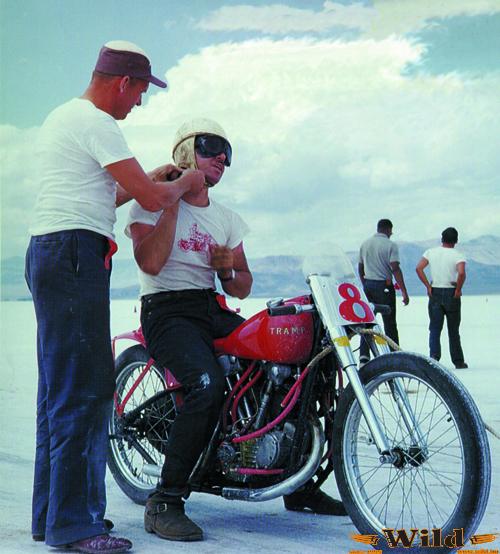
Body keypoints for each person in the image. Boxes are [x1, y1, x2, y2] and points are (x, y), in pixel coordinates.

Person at [127, 118, 346, 543]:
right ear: (185, 151)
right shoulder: (149, 204)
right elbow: (150, 263)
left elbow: (242, 286)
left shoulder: (227, 219)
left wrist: (227, 270)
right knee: (206, 384)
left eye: (227, 153)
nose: (222, 159)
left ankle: (297, 483)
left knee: (285, 367)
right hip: (166, 310)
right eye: (211, 148)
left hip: (210, 306)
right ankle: (165, 501)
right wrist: (173, 198)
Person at [25, 40, 205, 554]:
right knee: (86, 391)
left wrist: (150, 178)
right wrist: (186, 182)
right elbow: (151, 199)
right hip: (74, 254)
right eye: (140, 91)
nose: (140, 102)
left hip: (53, 251)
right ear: (123, 82)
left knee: (58, 392)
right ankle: (77, 525)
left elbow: (113, 192)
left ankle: (52, 517)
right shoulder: (99, 122)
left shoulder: (65, 117)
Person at [358, 219, 409, 364]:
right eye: (391, 231)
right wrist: (404, 291)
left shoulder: (365, 244)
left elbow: (360, 268)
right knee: (390, 323)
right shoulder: (390, 245)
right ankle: (394, 355)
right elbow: (395, 268)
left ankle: (364, 356)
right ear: (388, 229)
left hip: (368, 285)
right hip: (384, 287)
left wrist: (365, 284)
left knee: (367, 322)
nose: (391, 233)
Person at [416, 227, 468, 369]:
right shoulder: (458, 255)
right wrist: (458, 289)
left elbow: (419, 268)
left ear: (442, 238)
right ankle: (458, 361)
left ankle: (434, 358)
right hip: (451, 292)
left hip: (435, 291)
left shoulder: (431, 252)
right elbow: (461, 273)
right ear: (456, 240)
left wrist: (428, 286)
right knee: (453, 330)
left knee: (435, 328)